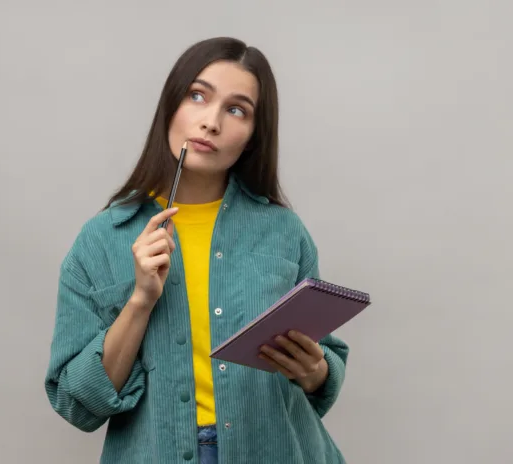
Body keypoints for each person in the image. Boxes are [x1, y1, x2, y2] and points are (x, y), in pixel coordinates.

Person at [45, 37, 350, 464]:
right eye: (198, 96)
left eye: (236, 109)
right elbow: (78, 404)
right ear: (171, 105)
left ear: (253, 136)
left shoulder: (283, 231)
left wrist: (316, 371)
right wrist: (140, 301)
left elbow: (323, 371)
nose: (211, 122)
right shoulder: (101, 239)